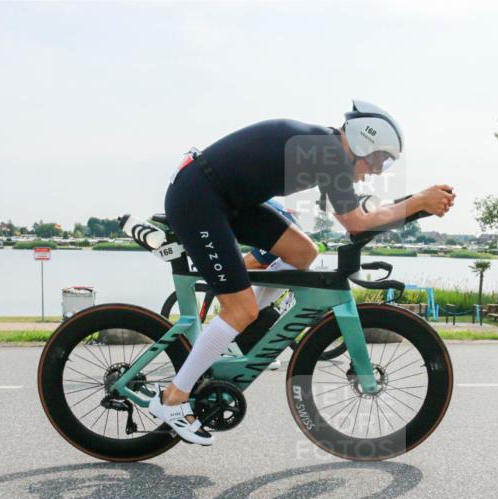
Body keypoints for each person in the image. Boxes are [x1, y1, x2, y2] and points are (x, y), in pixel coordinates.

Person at [151, 100, 456, 445]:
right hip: (198, 197)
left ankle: (243, 322)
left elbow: (359, 219)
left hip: (227, 199)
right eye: (378, 160)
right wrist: (418, 202)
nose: (376, 171)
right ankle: (172, 399)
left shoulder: (328, 150)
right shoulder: (328, 154)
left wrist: (416, 204)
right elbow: (356, 223)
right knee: (240, 310)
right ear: (363, 142)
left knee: (302, 253)